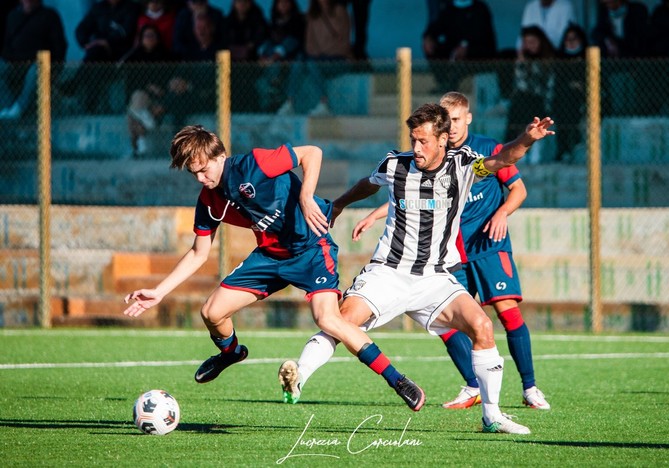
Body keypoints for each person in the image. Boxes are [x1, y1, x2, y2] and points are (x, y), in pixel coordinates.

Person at [279, 103, 555, 434]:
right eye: (413, 140)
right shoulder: (396, 163)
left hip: (434, 277)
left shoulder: (463, 165)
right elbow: (369, 183)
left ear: (442, 140)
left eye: (424, 141)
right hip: (388, 273)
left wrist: (527, 138)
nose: (417, 148)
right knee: (341, 321)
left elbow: (504, 158)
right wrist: (339, 204)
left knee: (482, 326)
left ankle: (492, 415)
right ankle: (298, 375)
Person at [123, 125, 427, 413]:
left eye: (204, 169)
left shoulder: (255, 164)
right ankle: (231, 354)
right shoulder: (209, 201)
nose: (202, 178)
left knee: (328, 319)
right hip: (269, 257)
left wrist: (306, 197)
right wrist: (159, 292)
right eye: (194, 173)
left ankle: (397, 380)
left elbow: (312, 153)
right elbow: (198, 253)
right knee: (211, 312)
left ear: (220, 156)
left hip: (310, 249)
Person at [277, 0, 352, 116]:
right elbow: (309, 42)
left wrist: (322, 52)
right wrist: (317, 53)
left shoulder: (340, 11)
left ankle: (324, 104)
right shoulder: (313, 14)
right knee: (299, 61)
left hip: (338, 60)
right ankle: (289, 103)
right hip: (319, 58)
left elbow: (344, 42)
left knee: (312, 63)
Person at [0, 0, 67, 120]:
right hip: (15, 64)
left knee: (38, 68)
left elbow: (59, 46)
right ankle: (9, 107)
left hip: (39, 63)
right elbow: (6, 45)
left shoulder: (49, 16)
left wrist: (57, 68)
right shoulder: (12, 16)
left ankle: (19, 108)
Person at [120, 24, 175, 157]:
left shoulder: (166, 57)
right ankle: (144, 125)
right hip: (141, 97)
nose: (149, 39)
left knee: (132, 114)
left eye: (152, 36)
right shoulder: (134, 57)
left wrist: (157, 89)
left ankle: (137, 147)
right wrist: (149, 87)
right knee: (138, 98)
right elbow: (132, 83)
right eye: (146, 36)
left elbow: (168, 81)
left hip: (159, 98)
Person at [422, 0, 497, 93]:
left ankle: (452, 85)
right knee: (432, 47)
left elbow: (484, 36)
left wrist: (466, 47)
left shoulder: (480, 8)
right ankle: (443, 83)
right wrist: (428, 37)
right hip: (453, 53)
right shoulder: (449, 9)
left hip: (477, 53)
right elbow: (435, 28)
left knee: (466, 55)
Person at [506, 26, 556, 164]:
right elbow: (520, 83)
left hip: (542, 99)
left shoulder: (548, 60)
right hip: (524, 99)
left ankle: (532, 149)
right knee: (520, 102)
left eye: (533, 41)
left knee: (527, 103)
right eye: (527, 42)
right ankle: (518, 147)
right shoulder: (523, 60)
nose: (530, 45)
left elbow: (546, 87)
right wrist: (521, 61)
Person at [591, 0, 650, 115]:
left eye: (610, 2)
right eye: (606, 3)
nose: (609, 5)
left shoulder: (637, 10)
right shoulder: (604, 12)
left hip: (637, 58)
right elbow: (596, 32)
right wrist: (608, 40)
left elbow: (641, 39)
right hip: (614, 61)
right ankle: (609, 111)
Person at [255, 0, 306, 112]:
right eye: (280, 2)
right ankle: (273, 97)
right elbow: (267, 43)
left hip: (294, 59)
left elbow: (295, 42)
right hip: (274, 63)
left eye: (286, 2)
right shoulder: (272, 23)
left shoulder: (299, 22)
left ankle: (289, 102)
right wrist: (263, 55)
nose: (283, 4)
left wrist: (276, 55)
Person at [555, 23, 587, 161]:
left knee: (569, 99)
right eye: (568, 39)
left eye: (574, 39)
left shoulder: (589, 57)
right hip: (564, 101)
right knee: (565, 100)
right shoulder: (560, 59)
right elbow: (558, 84)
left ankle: (569, 145)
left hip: (585, 98)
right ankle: (566, 146)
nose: (571, 42)